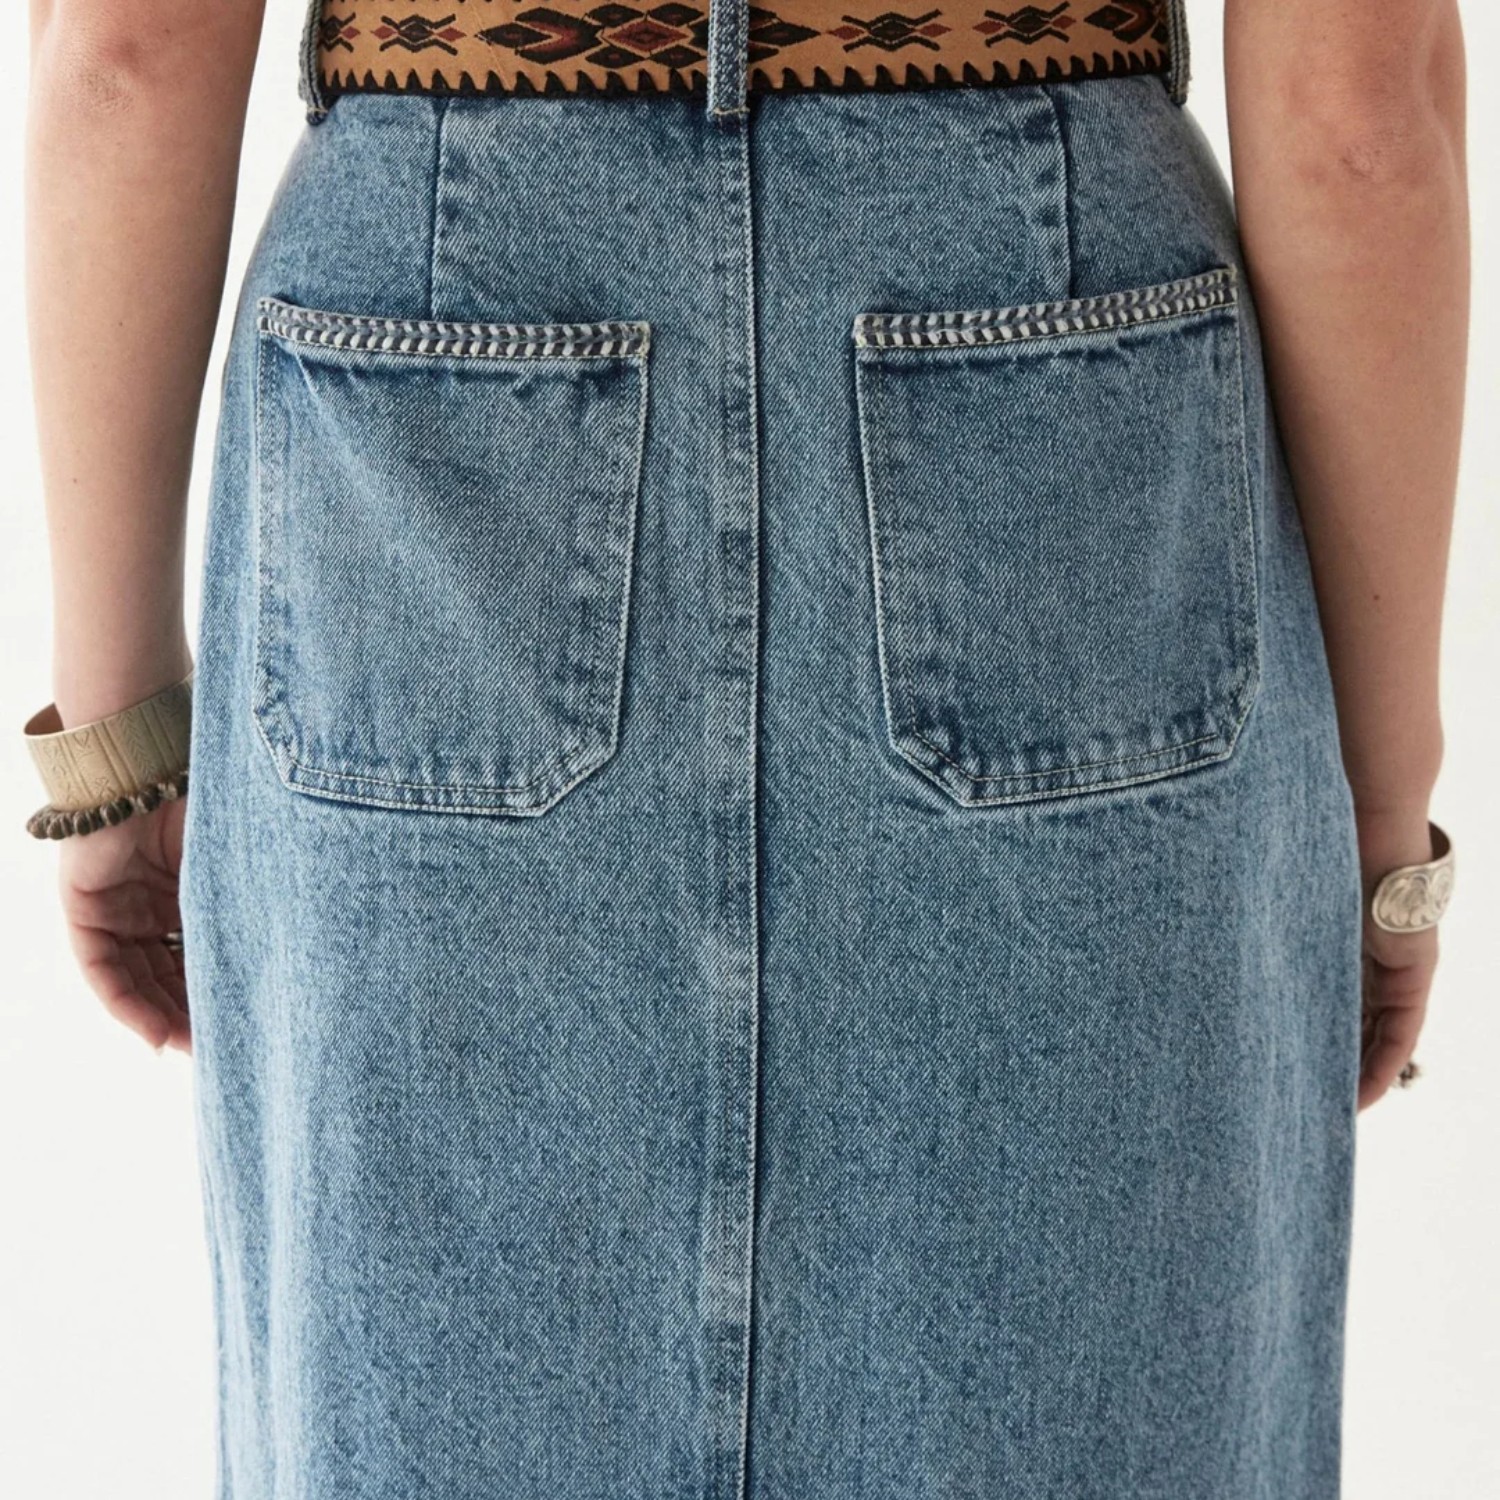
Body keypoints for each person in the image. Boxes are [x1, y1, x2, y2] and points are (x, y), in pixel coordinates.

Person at [21, 0, 1467, 1495]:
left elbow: (127, 57)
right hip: (1057, 315)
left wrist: (114, 750)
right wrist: (1377, 818)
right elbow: (1356, 121)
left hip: (432, 330)